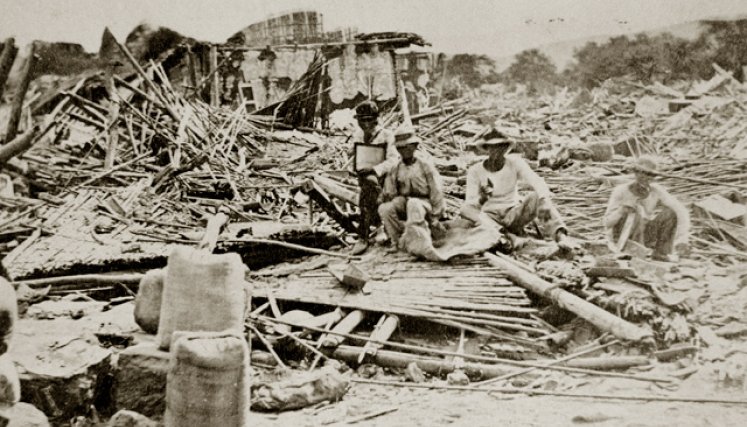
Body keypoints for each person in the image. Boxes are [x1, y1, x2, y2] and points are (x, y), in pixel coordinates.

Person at [460, 128, 573, 249]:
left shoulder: (515, 163)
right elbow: (470, 204)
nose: (496, 151)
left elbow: (535, 181)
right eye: (492, 147)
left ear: (506, 149)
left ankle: (560, 236)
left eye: (500, 147)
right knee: (465, 210)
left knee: (538, 197)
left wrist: (543, 198)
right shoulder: (475, 171)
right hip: (488, 218)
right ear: (487, 149)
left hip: (512, 215)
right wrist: (482, 199)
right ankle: (502, 235)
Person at [604, 156, 690, 261]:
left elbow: (680, 211)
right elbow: (606, 223)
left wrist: (682, 239)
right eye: (644, 174)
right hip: (623, 237)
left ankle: (661, 253)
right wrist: (621, 211)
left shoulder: (656, 191)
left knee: (669, 213)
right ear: (636, 173)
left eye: (652, 175)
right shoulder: (621, 191)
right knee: (635, 215)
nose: (648, 178)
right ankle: (634, 253)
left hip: (644, 234)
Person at [378, 131, 444, 252]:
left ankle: (422, 240)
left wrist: (436, 215)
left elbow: (436, 191)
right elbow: (390, 190)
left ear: (414, 146)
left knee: (414, 204)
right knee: (385, 208)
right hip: (405, 201)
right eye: (400, 147)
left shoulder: (425, 166)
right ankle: (397, 240)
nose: (404, 150)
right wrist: (384, 198)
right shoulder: (396, 168)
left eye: (407, 146)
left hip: (424, 202)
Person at [350, 100, 400, 255]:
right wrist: (358, 165)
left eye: (368, 120)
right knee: (368, 185)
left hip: (384, 176)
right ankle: (379, 229)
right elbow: (356, 156)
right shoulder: (358, 135)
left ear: (375, 119)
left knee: (369, 189)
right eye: (361, 120)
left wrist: (375, 170)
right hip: (366, 176)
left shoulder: (386, 136)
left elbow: (393, 160)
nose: (365, 124)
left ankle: (363, 236)